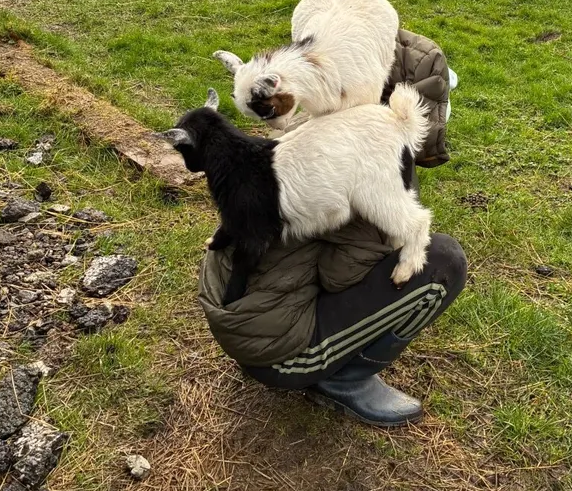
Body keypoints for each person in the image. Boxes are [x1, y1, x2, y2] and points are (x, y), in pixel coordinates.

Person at [198, 30, 466, 427]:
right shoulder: (359, 158)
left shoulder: (304, 127)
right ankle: (343, 378)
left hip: (234, 314)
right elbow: (340, 274)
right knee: (444, 262)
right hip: (277, 352)